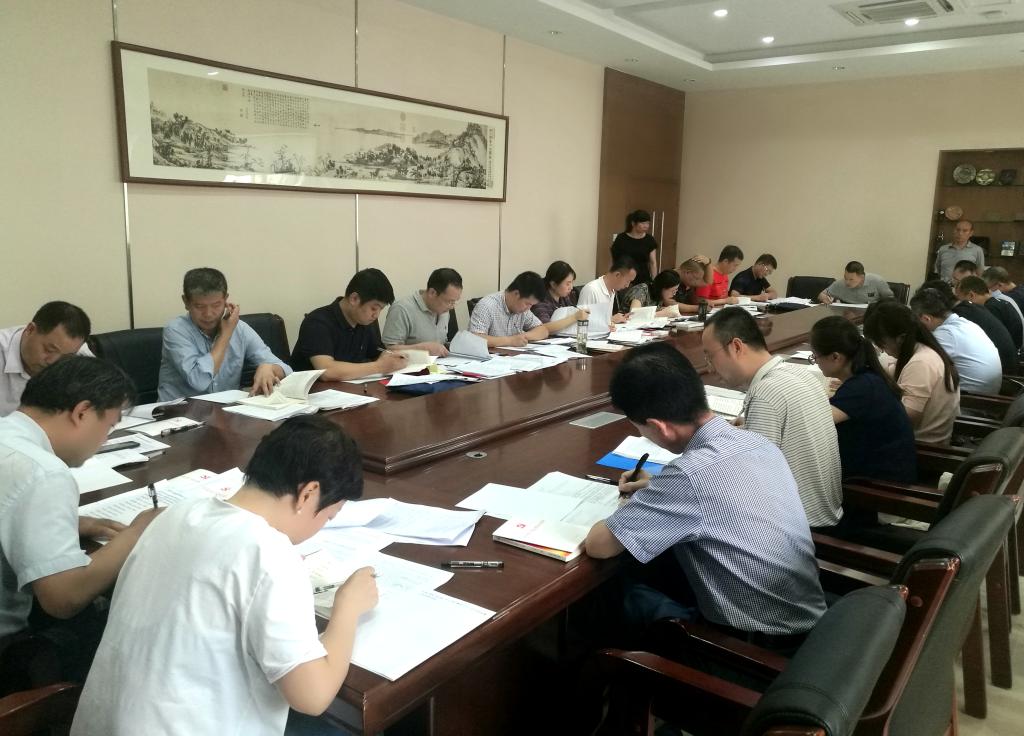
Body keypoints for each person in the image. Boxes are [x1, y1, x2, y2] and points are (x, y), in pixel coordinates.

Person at [70, 416, 377, 736]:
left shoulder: (178, 513)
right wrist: (347, 608)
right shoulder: (269, 554)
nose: (321, 526)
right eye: (328, 516)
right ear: (309, 493)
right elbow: (313, 697)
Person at [584, 342, 825, 645]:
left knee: (619, 592)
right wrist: (656, 488)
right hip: (809, 623)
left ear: (660, 427)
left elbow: (599, 546)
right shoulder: (756, 442)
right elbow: (721, 491)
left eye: (640, 429)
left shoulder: (687, 476)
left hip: (751, 647)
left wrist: (632, 502)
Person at [0, 356, 160, 678]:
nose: (105, 440)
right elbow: (63, 598)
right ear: (82, 412)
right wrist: (138, 532)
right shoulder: (44, 472)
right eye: (110, 426)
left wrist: (71, 523)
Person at [701, 308, 843, 529]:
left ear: (736, 346)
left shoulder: (766, 393)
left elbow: (752, 483)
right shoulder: (799, 373)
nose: (709, 367)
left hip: (803, 529)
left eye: (710, 355)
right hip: (825, 513)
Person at [809, 316, 917, 485]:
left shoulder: (861, 388)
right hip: (884, 472)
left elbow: (813, 423)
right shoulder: (868, 377)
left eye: (815, 356)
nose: (816, 362)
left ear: (836, 357)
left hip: (878, 486)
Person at [158, 268, 292, 400]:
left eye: (216, 305)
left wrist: (270, 368)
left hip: (224, 409)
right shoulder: (175, 330)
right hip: (177, 411)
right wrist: (225, 335)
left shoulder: (240, 329)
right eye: (199, 306)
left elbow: (287, 371)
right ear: (186, 302)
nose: (208, 314)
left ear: (226, 300)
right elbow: (199, 380)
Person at [864, 300, 961, 445]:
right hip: (922, 439)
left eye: (882, 344)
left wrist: (864, 405)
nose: (883, 351)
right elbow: (891, 371)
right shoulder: (923, 350)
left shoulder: (921, 363)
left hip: (922, 446)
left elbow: (904, 419)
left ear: (900, 338)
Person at [291, 268, 407, 380]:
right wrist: (379, 366)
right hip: (313, 391)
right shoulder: (317, 322)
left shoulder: (366, 321)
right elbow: (326, 371)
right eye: (374, 308)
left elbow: (376, 354)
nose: (376, 315)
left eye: (381, 309)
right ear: (354, 299)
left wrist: (391, 358)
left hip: (353, 389)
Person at [1, 301, 93, 416]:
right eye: (49, 350)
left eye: (65, 357)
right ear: (30, 330)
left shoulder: (77, 352)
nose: (53, 362)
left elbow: (100, 403)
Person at [910, 288, 1001, 395]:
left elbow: (916, 361)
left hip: (971, 399)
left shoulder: (946, 335)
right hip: (988, 394)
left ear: (926, 319)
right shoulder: (967, 324)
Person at [470, 271, 584, 347]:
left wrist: (524, 337)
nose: (528, 308)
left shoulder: (523, 310)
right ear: (516, 294)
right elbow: (475, 338)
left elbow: (543, 330)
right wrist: (510, 341)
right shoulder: (487, 306)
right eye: (527, 304)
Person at [932, 279, 1018, 375]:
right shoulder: (980, 308)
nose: (957, 299)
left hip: (1003, 373)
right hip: (1005, 367)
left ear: (971, 295)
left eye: (959, 296)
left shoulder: (967, 313)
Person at [381, 267, 463, 357]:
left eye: (455, 301)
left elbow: (441, 343)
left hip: (441, 364)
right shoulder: (402, 309)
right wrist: (422, 349)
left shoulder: (444, 311)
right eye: (449, 301)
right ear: (432, 293)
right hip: (410, 365)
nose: (452, 306)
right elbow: (389, 351)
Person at [955, 276, 1023, 352]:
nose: (961, 303)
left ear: (971, 295)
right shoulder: (998, 302)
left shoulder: (990, 309)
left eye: (960, 299)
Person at [577, 256, 636, 323]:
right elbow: (580, 321)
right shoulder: (591, 290)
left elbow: (603, 320)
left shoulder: (612, 291)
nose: (627, 285)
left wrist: (618, 318)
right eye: (627, 281)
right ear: (617, 275)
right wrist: (610, 319)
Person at [610, 210, 658, 286]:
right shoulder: (621, 238)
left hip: (643, 279)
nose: (646, 226)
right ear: (633, 223)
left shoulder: (649, 240)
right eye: (643, 223)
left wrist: (654, 281)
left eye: (648, 223)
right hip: (624, 277)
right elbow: (615, 260)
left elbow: (653, 262)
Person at [817, 261, 893, 305]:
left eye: (851, 279)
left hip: (870, 315)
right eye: (845, 278)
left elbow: (890, 299)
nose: (847, 282)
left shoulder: (877, 281)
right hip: (847, 316)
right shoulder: (840, 283)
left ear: (862, 277)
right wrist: (824, 298)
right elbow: (822, 294)